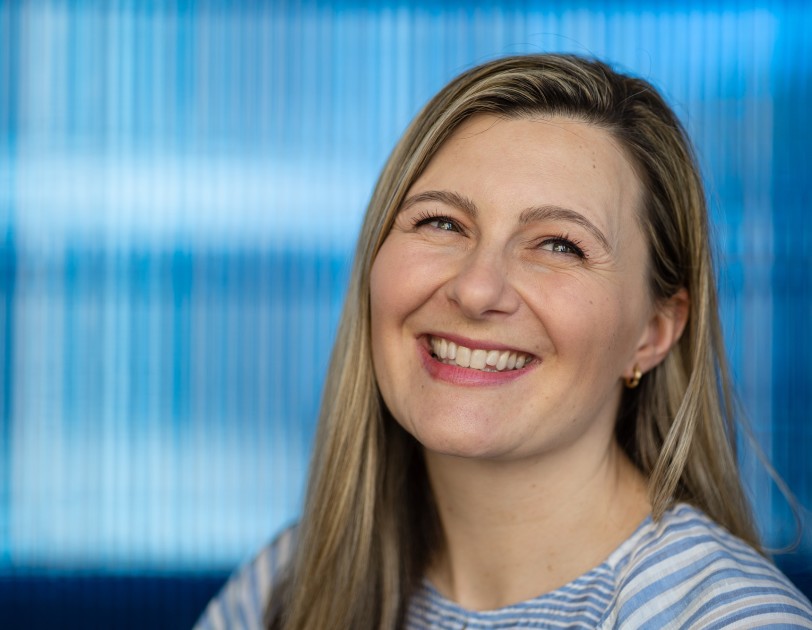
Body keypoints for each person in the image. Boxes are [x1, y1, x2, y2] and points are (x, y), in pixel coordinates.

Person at [196, 54, 812, 629]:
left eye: (559, 244)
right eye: (442, 222)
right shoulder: (285, 583)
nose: (475, 288)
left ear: (653, 334)